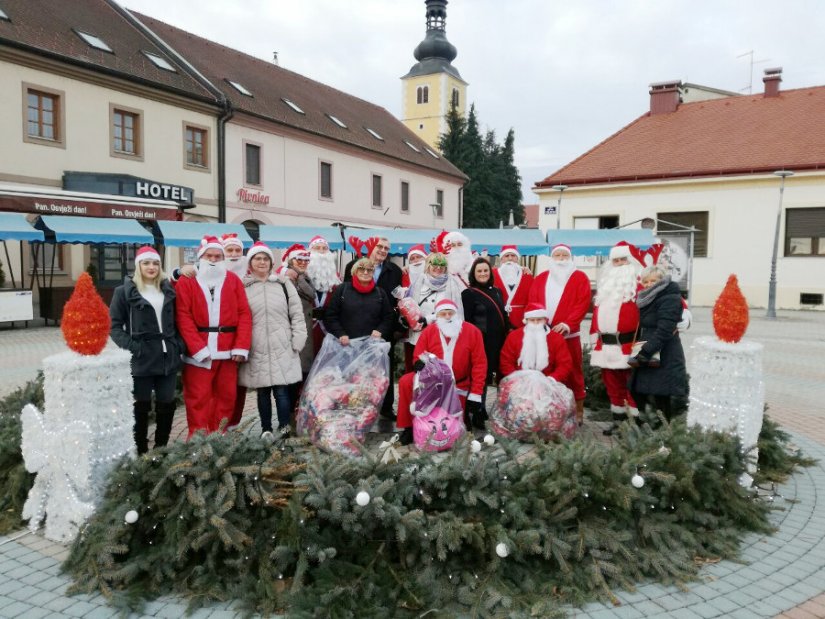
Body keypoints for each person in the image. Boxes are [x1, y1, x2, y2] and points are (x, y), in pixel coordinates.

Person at [175, 235, 252, 437]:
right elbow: (182, 316)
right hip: (198, 351)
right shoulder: (187, 281)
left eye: (218, 256)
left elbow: (244, 313)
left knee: (226, 397)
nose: (214, 260)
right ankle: (198, 440)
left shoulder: (233, 280)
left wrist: (240, 346)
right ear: (201, 256)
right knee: (198, 398)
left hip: (227, 351)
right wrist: (196, 348)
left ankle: (220, 437)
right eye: (209, 255)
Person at [109, 246, 182, 454]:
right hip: (141, 358)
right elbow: (114, 327)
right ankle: (140, 450)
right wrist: (134, 348)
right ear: (138, 265)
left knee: (166, 404)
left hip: (168, 356)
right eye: (146, 263)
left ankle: (161, 449)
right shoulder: (124, 291)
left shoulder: (167, 289)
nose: (151, 267)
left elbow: (177, 321)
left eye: (155, 263)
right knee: (140, 406)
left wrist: (178, 345)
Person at [238, 242, 306, 441]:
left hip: (282, 344)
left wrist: (298, 340)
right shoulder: (243, 287)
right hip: (256, 345)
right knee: (262, 392)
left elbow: (297, 314)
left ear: (271, 262)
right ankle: (266, 429)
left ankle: (284, 428)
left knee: (282, 391)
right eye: (257, 258)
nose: (261, 262)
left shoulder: (283, 284)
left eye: (265, 258)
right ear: (250, 262)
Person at [396, 298, 487, 444]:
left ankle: (464, 419)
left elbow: (480, 364)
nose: (447, 317)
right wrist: (419, 362)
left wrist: (476, 393)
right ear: (437, 316)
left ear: (456, 315)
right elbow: (418, 355)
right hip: (432, 384)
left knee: (456, 428)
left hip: (458, 384)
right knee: (406, 381)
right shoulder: (429, 331)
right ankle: (408, 428)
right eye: (443, 314)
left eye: (450, 313)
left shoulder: (472, 331)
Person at [528, 243, 591, 424]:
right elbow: (533, 301)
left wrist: (568, 324)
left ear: (570, 258)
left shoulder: (579, 277)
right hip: (544, 335)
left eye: (564, 256)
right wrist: (540, 323)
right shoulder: (540, 278)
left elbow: (582, 302)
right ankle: (550, 409)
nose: (561, 259)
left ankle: (578, 410)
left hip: (569, 336)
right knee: (546, 371)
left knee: (574, 371)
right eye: (558, 256)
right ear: (552, 258)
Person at [343, 236, 403, 419]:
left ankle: (386, 407)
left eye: (386, 248)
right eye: (380, 246)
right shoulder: (353, 266)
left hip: (383, 327)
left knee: (385, 368)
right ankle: (359, 405)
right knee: (357, 368)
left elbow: (398, 298)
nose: (383, 250)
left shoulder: (395, 271)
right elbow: (347, 291)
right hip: (358, 325)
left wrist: (390, 327)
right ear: (372, 248)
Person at [589, 242, 642, 435]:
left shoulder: (640, 284)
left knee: (632, 386)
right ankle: (618, 422)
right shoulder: (605, 287)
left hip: (630, 345)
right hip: (607, 346)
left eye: (623, 260)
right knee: (613, 386)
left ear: (631, 261)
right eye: (616, 260)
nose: (619, 264)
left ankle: (635, 425)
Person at [627, 264, 688, 423]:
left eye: (653, 281)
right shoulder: (648, 298)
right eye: (645, 282)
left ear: (662, 281)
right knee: (641, 393)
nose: (648, 285)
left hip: (664, 354)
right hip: (651, 353)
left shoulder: (669, 298)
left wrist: (645, 352)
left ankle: (662, 436)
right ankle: (648, 431)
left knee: (661, 398)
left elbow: (665, 330)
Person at [461, 256, 508, 427]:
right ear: (474, 273)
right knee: (479, 375)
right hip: (480, 341)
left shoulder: (497, 291)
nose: (483, 273)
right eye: (479, 271)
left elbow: (502, 314)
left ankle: (483, 407)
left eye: (485, 270)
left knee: (488, 375)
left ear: (490, 272)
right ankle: (477, 410)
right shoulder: (468, 293)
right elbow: (467, 321)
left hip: (497, 341)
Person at [325, 257, 395, 345]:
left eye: (369, 270)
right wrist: (340, 333)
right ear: (355, 271)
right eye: (361, 269)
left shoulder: (380, 293)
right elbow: (331, 315)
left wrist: (380, 330)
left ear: (373, 273)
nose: (365, 272)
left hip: (371, 345)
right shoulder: (342, 289)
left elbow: (388, 317)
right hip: (345, 344)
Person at [499, 302, 573, 385]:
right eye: (532, 320)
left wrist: (551, 379)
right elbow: (505, 362)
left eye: (539, 319)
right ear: (526, 321)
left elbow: (565, 365)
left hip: (548, 384)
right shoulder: (514, 336)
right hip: (518, 383)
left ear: (545, 320)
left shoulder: (556, 338)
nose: (536, 323)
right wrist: (517, 379)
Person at [305, 235, 340, 354]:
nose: (321, 251)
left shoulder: (336, 277)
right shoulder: (302, 274)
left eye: (324, 248)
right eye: (317, 248)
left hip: (328, 328)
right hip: (308, 327)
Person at [493, 245, 534, 329]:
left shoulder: (527, 276)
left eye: (513, 255)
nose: (510, 259)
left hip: (521, 319)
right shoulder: (492, 274)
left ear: (517, 258)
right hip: (499, 317)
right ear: (502, 259)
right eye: (507, 256)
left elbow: (532, 298)